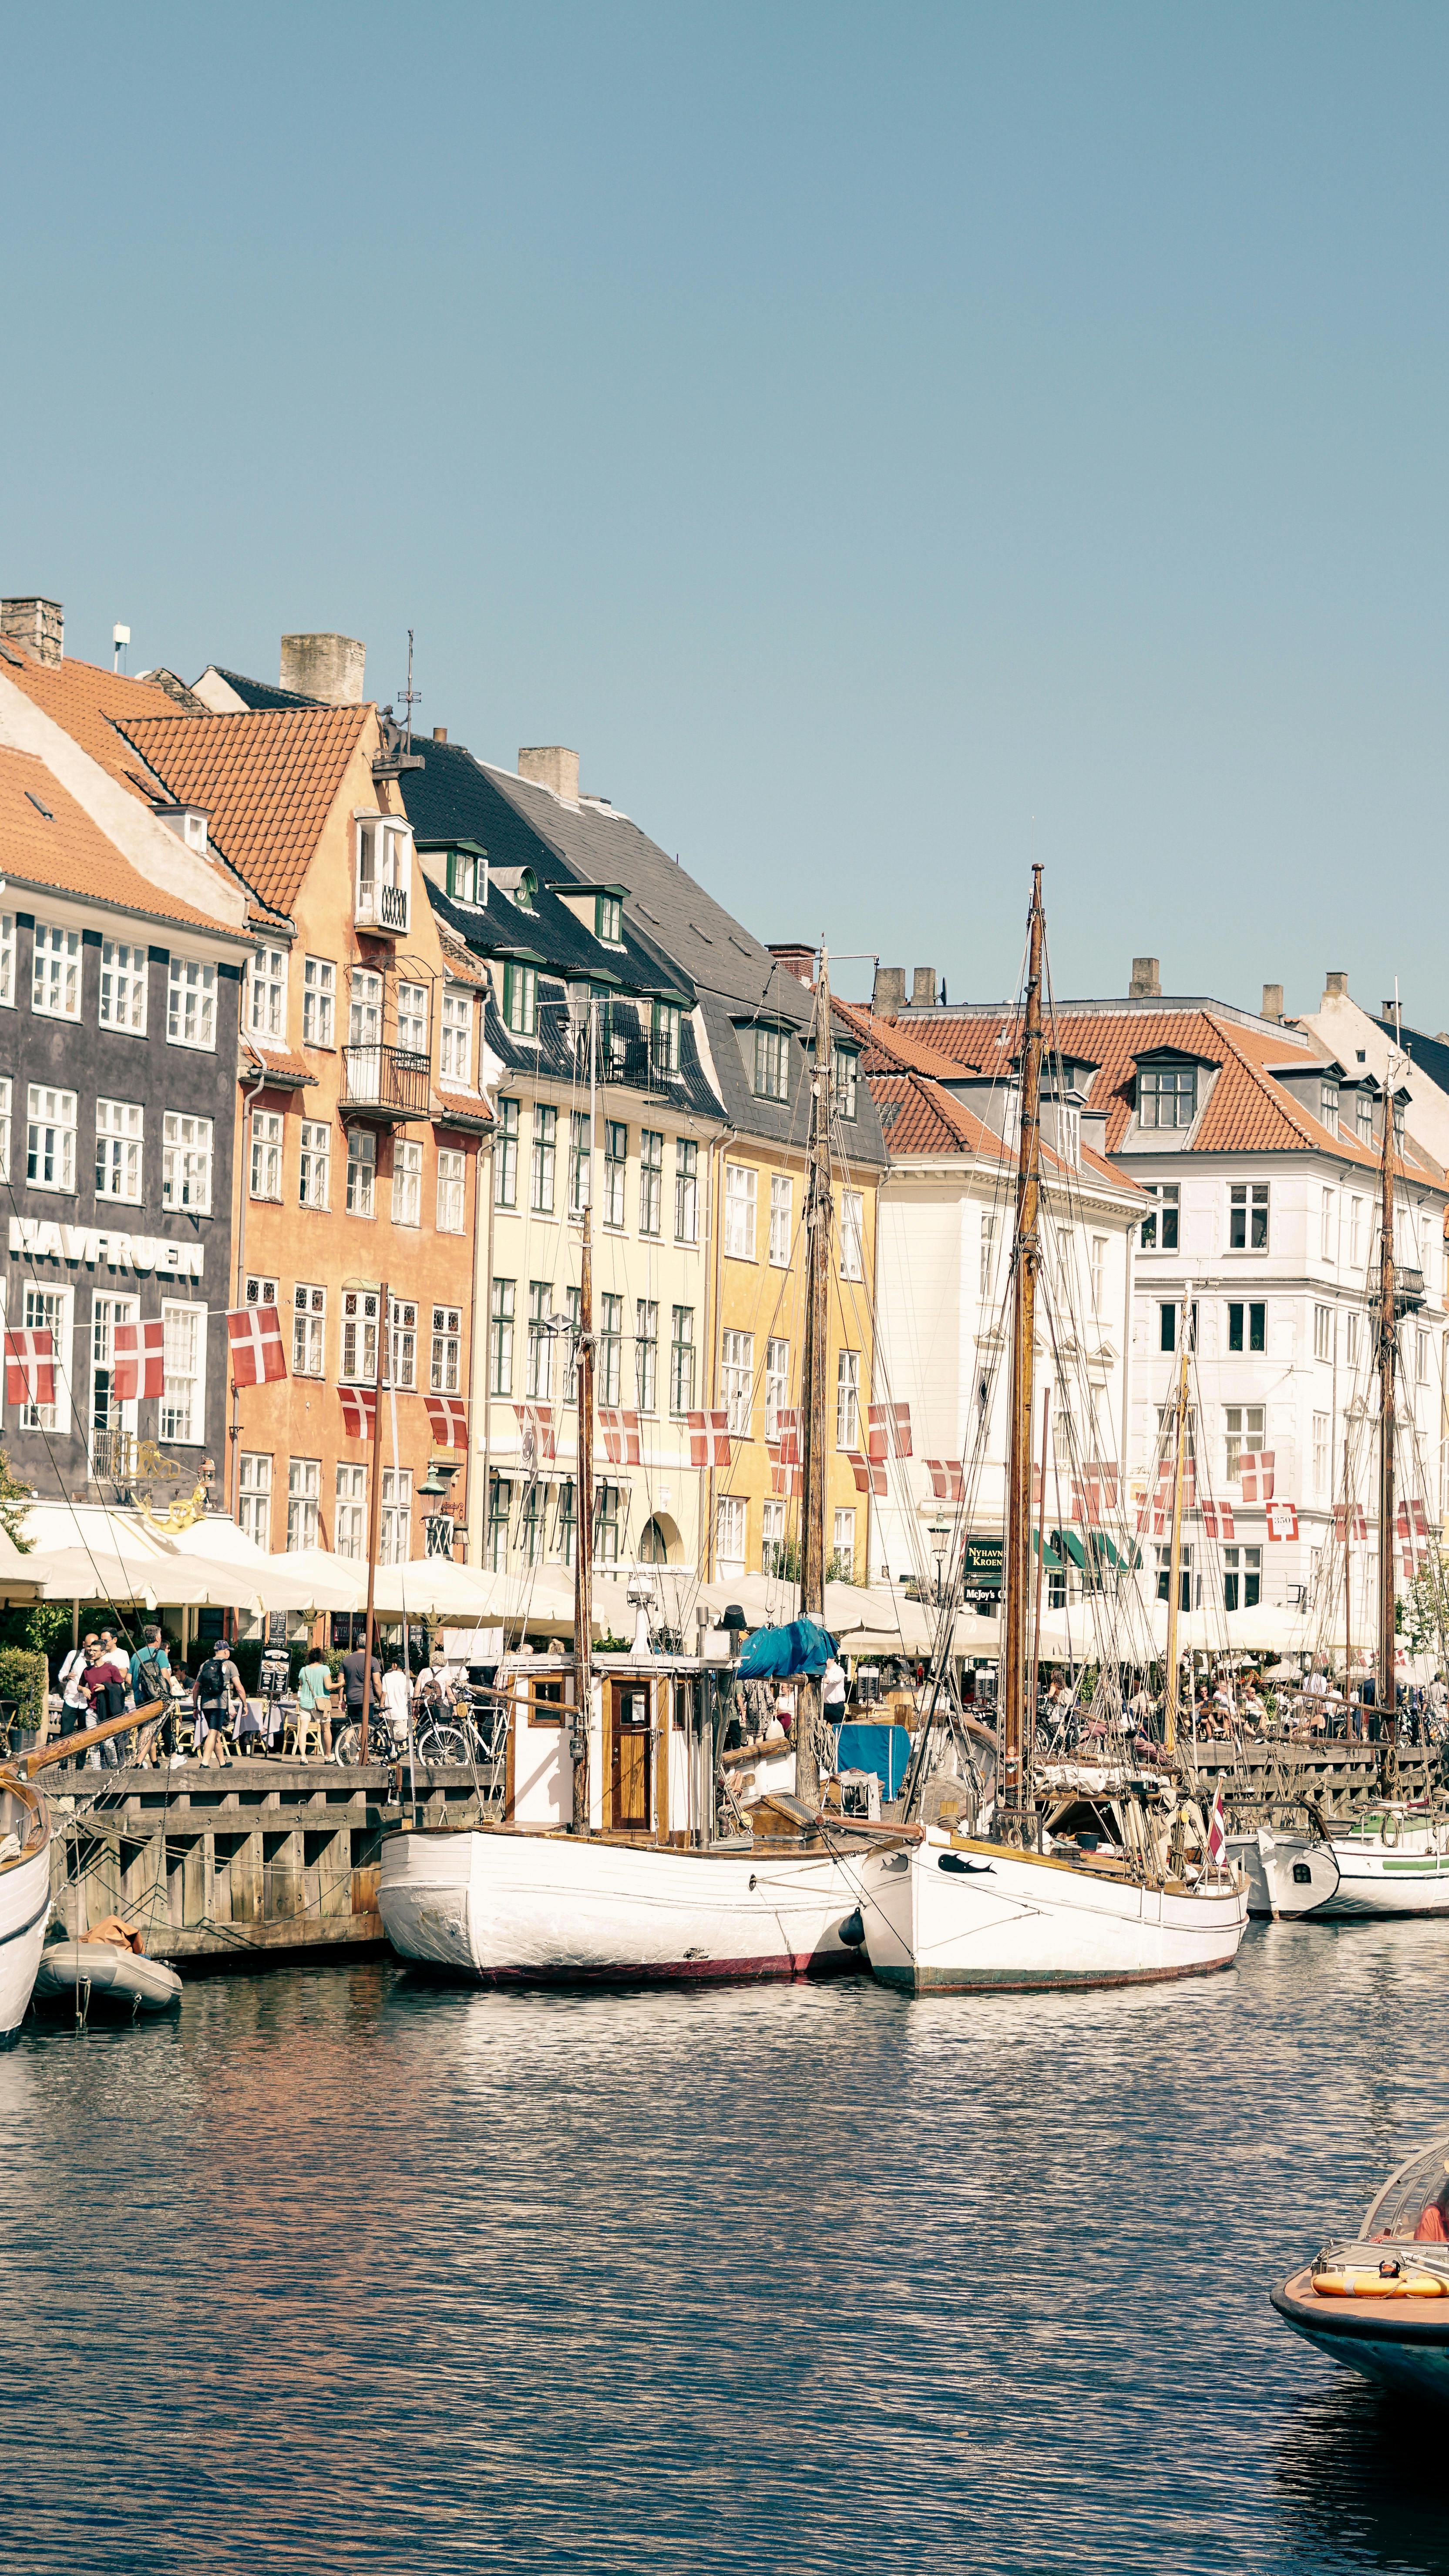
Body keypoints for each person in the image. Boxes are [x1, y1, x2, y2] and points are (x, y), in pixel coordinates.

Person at [192, 1646, 242, 1768]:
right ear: (226, 1651)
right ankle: (204, 1763)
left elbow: (197, 1687)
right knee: (213, 1732)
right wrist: (245, 1705)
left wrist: (195, 1706)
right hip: (220, 1704)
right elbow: (239, 1687)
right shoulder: (230, 1665)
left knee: (216, 1734)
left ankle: (222, 1762)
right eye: (228, 1651)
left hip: (205, 1704)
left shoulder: (205, 1664)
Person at [129, 1626, 172, 1765]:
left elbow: (128, 1679)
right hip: (157, 1699)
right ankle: (138, 1762)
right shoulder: (160, 1654)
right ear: (157, 1639)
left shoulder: (136, 1655)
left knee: (148, 1730)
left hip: (140, 1699)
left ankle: (154, 1762)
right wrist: (170, 1694)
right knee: (149, 1730)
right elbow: (165, 1678)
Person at [295, 1645, 338, 1760]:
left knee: (303, 1729)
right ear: (321, 1657)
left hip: (305, 1703)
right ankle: (328, 1755)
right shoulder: (325, 1669)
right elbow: (329, 1686)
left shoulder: (304, 1670)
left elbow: (301, 1684)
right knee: (326, 1729)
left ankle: (303, 1756)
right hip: (321, 1705)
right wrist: (341, 1684)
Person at [340, 1638, 385, 1747]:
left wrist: (341, 1699)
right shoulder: (372, 1660)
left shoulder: (346, 1660)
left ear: (357, 1644)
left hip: (351, 1698)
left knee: (352, 1724)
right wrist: (382, 1700)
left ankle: (346, 1744)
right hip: (366, 1698)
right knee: (365, 1726)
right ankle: (360, 1751)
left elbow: (341, 1681)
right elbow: (377, 1683)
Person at [381, 1652, 414, 1751]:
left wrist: (382, 1706)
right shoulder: (407, 1680)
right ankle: (394, 1752)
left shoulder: (386, 1677)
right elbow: (410, 1698)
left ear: (395, 1665)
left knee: (390, 1734)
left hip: (389, 1711)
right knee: (400, 1736)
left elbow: (384, 1693)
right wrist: (411, 1711)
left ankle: (391, 1752)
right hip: (401, 1712)